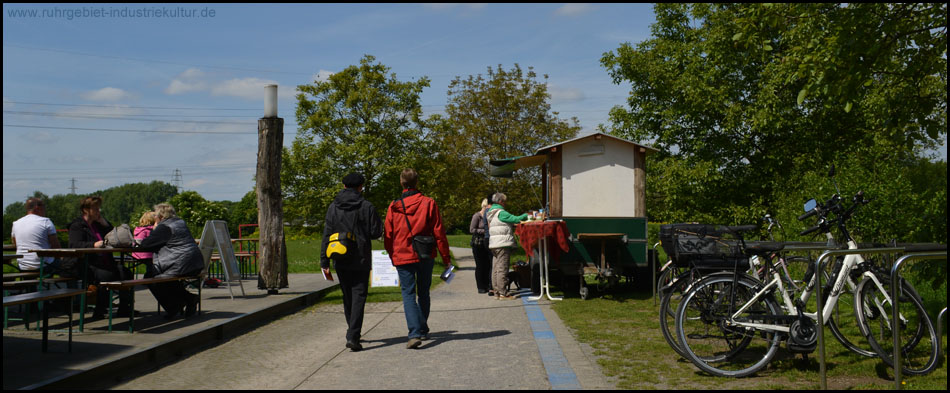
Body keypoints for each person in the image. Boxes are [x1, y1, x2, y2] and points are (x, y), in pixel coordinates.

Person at [384, 168, 451, 349]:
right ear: (417, 182)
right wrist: (446, 258)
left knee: (408, 294)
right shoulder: (429, 203)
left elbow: (388, 234)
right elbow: (439, 232)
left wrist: (392, 255)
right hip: (425, 253)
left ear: (401, 183)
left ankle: (414, 333)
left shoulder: (394, 206)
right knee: (423, 292)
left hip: (403, 254)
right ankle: (421, 329)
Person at [320, 172, 383, 352]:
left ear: (344, 186)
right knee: (359, 296)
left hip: (339, 256)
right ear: (360, 187)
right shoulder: (366, 206)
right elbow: (375, 232)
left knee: (348, 296)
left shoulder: (333, 207)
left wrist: (324, 261)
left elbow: (326, 234)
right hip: (360, 257)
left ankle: (352, 331)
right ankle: (353, 335)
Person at [68, 195, 134, 318]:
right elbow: (74, 244)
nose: (99, 211)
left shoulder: (98, 225)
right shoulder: (77, 226)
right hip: (87, 264)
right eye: (96, 209)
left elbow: (114, 237)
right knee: (106, 276)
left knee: (126, 273)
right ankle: (100, 309)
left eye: (99, 209)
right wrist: (93, 244)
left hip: (105, 263)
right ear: (86, 210)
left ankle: (124, 308)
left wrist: (105, 224)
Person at [136, 203, 204, 320]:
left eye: (155, 217)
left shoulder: (165, 227)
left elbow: (146, 245)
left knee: (151, 277)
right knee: (165, 278)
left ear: (161, 217)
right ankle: (187, 299)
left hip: (181, 263)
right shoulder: (180, 223)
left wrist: (155, 228)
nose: (154, 219)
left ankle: (175, 306)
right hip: (195, 263)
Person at [10, 197, 76, 280]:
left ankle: (31, 291)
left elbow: (15, 244)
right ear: (37, 207)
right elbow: (56, 247)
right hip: (43, 265)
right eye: (44, 206)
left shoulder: (16, 223)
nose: (45, 209)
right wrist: (63, 259)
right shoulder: (45, 221)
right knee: (71, 267)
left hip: (23, 266)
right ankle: (73, 292)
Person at [486, 192, 528, 300]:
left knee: (495, 268)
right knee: (502, 268)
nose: (506, 203)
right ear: (500, 201)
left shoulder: (490, 212)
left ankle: (496, 292)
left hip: (494, 244)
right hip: (502, 244)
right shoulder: (501, 212)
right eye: (505, 201)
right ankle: (503, 293)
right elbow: (516, 219)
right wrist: (527, 215)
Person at [469, 198, 492, 295]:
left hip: (488, 242)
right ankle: (481, 286)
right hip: (478, 243)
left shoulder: (489, 216)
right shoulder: (477, 216)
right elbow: (472, 229)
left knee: (488, 264)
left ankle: (488, 285)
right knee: (480, 265)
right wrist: (484, 231)